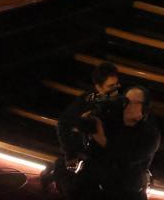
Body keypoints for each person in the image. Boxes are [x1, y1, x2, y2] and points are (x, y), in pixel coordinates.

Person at [52, 61, 123, 197]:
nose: (116, 89)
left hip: (108, 156)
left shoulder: (122, 101)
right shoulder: (87, 100)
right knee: (64, 173)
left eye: (117, 84)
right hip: (87, 153)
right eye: (110, 86)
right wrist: (70, 153)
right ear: (98, 87)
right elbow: (63, 123)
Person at [88, 87, 160, 200]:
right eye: (126, 101)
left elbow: (125, 159)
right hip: (101, 189)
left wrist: (102, 139)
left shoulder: (150, 134)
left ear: (145, 107)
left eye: (134, 102)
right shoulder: (112, 122)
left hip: (129, 193)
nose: (127, 105)